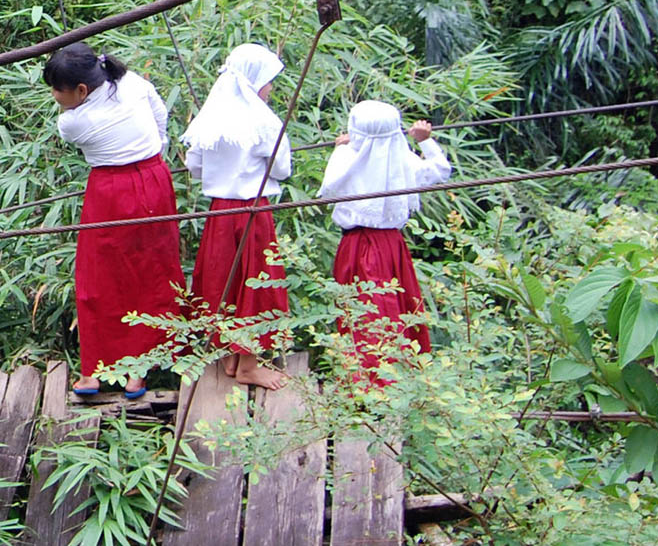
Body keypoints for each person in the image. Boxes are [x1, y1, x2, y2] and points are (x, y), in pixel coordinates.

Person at [44, 42, 185, 399]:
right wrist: (155, 149)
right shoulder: (132, 82)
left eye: (56, 89)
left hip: (110, 190)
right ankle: (139, 371)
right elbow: (159, 113)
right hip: (154, 180)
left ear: (80, 90)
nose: (53, 95)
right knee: (152, 272)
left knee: (98, 277)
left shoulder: (72, 122)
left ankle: (95, 371)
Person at [318, 100, 452, 386]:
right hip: (391, 245)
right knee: (392, 306)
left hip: (354, 245)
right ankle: (393, 380)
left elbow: (331, 184)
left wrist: (344, 146)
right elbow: (440, 171)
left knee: (364, 310)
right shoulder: (402, 160)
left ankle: (366, 381)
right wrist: (426, 142)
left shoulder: (344, 158)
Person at [181, 43, 291, 391]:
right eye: (269, 80)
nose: (270, 88)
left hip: (219, 211)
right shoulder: (264, 120)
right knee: (256, 281)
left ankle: (230, 353)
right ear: (255, 80)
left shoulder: (210, 117)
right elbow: (283, 168)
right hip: (253, 211)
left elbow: (195, 167)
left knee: (222, 279)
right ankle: (249, 364)